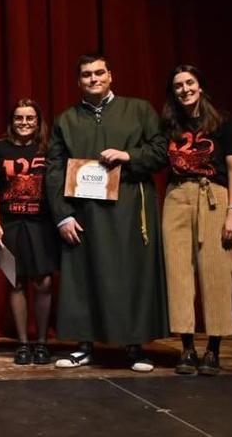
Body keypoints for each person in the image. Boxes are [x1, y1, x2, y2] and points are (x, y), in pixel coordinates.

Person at [45, 53, 169, 372]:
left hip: (130, 207)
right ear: (79, 81)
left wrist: (128, 155)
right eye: (86, 75)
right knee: (82, 274)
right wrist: (62, 215)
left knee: (131, 274)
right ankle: (83, 346)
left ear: (111, 75)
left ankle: (135, 346)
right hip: (84, 211)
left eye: (99, 73)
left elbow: (161, 151)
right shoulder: (66, 119)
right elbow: (55, 170)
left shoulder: (139, 110)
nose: (94, 79)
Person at [161, 65, 232, 376]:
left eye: (189, 83)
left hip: (215, 197)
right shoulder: (169, 124)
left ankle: (213, 349)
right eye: (178, 86)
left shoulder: (223, 122)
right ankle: (186, 348)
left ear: (200, 85)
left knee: (217, 270)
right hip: (177, 197)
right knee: (178, 270)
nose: (184, 89)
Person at [0, 98, 59, 365]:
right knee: (14, 282)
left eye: (30, 118)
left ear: (38, 122)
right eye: (19, 118)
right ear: (11, 121)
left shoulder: (49, 149)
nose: (24, 123)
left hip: (42, 224)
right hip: (10, 223)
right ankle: (23, 344)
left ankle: (41, 342)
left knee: (44, 282)